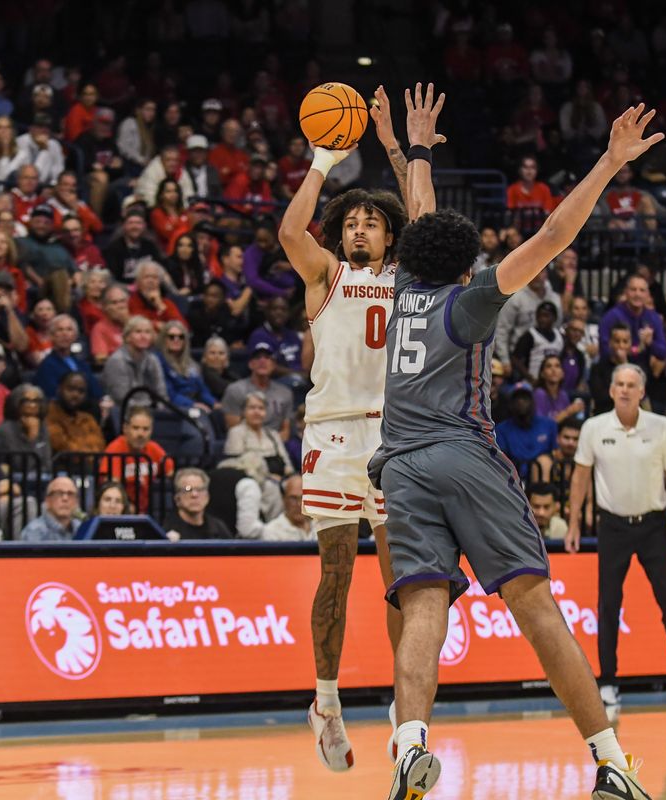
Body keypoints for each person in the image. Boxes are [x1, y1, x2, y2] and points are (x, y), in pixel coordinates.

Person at [368, 92, 661, 798]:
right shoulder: (470, 300)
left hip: (398, 467)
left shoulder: (404, 286)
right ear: (465, 260)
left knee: (424, 608)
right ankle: (612, 764)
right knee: (534, 607)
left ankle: (409, 745)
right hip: (462, 457)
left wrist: (416, 150)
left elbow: (421, 210)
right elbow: (557, 232)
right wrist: (609, 162)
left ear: (413, 253)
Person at [276, 82, 418, 774]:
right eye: (352, 221)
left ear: (389, 235)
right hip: (331, 435)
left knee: (400, 579)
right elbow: (287, 232)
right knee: (335, 573)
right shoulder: (324, 273)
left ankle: (403, 705)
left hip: (391, 439)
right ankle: (326, 703)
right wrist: (323, 162)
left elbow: (426, 216)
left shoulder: (408, 279)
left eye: (371, 221)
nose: (359, 227)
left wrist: (394, 146)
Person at [567, 363, 666, 709]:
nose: (625, 390)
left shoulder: (661, 427)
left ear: (642, 392)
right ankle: (608, 682)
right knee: (609, 605)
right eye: (620, 384)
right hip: (612, 526)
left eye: (632, 384)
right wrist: (574, 523)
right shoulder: (594, 428)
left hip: (655, 525)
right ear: (611, 391)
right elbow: (581, 477)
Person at [100, 407, 173, 513]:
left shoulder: (153, 448)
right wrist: (127, 506)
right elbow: (112, 486)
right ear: (125, 429)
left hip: (148, 510)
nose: (141, 434)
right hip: (122, 509)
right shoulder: (116, 448)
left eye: (145, 429)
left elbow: (171, 474)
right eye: (135, 428)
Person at [495, 382, 559, 472]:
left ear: (533, 401)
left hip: (544, 478)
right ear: (510, 403)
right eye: (516, 398)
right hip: (514, 479)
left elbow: (557, 454)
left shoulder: (549, 425)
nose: (520, 401)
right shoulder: (501, 429)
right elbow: (501, 461)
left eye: (525, 397)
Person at [162, 468, 234, 540]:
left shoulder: (218, 527)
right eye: (188, 489)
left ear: (207, 497)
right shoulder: (167, 531)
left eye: (200, 489)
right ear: (177, 498)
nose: (194, 494)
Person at [46, 372, 106, 454]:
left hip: (90, 465)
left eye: (81, 391)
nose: (75, 395)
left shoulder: (88, 419)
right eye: (70, 389)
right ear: (59, 389)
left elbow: (100, 446)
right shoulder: (48, 414)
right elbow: (61, 446)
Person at [19, 476, 82, 542]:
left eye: (70, 494)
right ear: (47, 501)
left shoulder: (81, 528)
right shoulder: (34, 531)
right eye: (59, 493)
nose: (65, 498)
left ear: (76, 502)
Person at [261, 475, 316, 541]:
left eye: (302, 498)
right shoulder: (271, 531)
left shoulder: (320, 526)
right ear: (284, 499)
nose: (299, 504)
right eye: (293, 498)